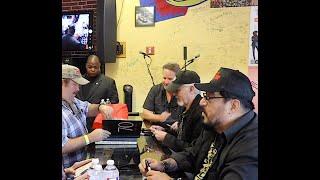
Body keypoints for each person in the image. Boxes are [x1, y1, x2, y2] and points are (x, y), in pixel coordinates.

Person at [139, 67, 258, 180]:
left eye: (209, 98)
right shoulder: (215, 126)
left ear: (233, 106)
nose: (201, 102)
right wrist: (163, 165)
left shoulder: (251, 146)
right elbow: (193, 154)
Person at [62, 64, 113, 168]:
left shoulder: (72, 100)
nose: (78, 89)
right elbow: (62, 146)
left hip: (79, 166)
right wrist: (90, 137)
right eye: (75, 84)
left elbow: (87, 108)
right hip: (67, 171)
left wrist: (100, 107)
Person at [149, 70, 204, 152]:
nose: (174, 94)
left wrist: (166, 138)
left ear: (192, 89)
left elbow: (194, 150)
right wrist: (165, 130)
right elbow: (184, 135)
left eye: (177, 90)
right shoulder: (186, 109)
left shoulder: (201, 113)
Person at [77, 55, 119, 132]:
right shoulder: (78, 81)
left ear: (99, 66)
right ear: (86, 66)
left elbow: (114, 105)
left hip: (99, 126)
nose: (92, 69)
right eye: (90, 67)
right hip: (78, 125)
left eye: (95, 67)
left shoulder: (108, 82)